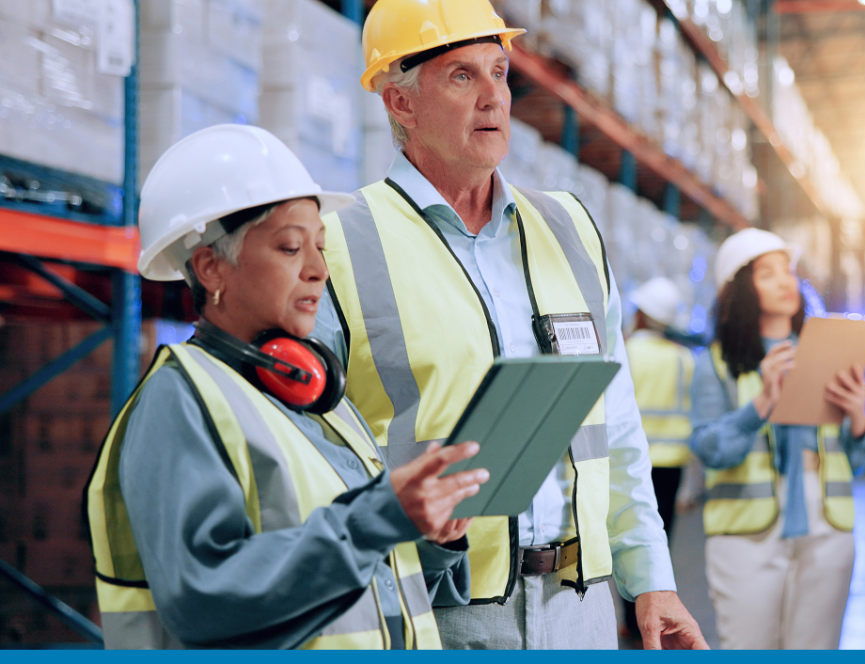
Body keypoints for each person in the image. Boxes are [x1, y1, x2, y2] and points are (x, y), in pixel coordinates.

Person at [311, 0, 706, 650]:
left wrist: (651, 581)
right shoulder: (340, 243)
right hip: (438, 610)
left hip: (580, 606)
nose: (493, 98)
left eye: (499, 72)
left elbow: (617, 423)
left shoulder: (570, 229)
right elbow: (310, 450)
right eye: (462, 76)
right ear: (399, 103)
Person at [84, 124, 489, 649]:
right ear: (211, 267)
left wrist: (429, 538)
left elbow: (358, 584)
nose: (320, 270)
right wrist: (377, 520)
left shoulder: (321, 397)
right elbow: (205, 602)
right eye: (291, 247)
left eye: (320, 247)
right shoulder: (180, 401)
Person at [689, 228, 865, 650]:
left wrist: (858, 417)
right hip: (747, 535)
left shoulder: (829, 352)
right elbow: (709, 450)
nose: (785, 282)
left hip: (825, 526)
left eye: (788, 272)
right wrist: (762, 403)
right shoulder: (717, 364)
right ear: (739, 288)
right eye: (767, 273)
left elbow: (859, 458)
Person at [619, 277, 695, 644]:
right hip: (673, 458)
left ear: (640, 314)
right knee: (659, 537)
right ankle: (658, 603)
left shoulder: (627, 351)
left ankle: (633, 620)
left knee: (628, 533)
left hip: (632, 461)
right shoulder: (683, 358)